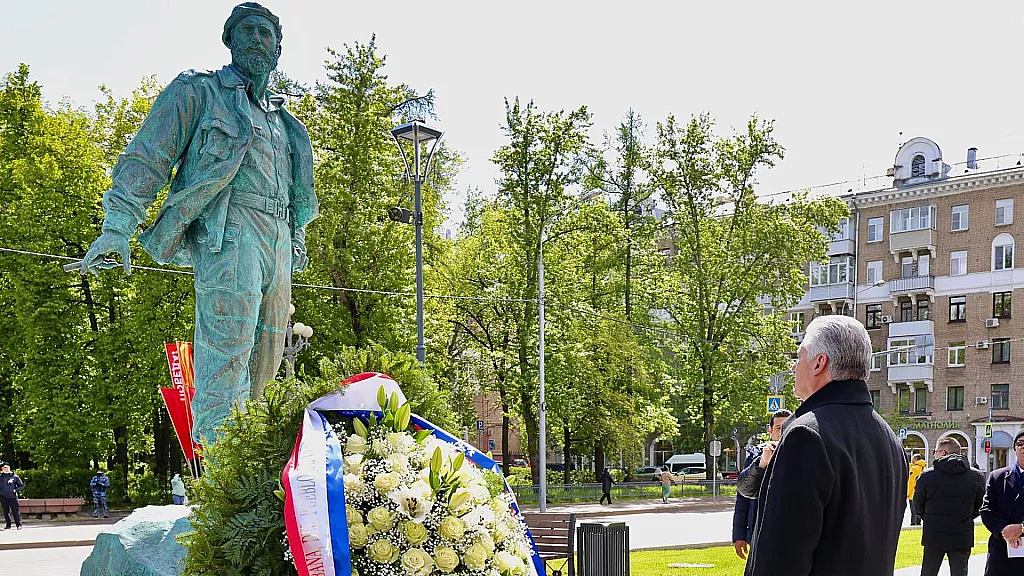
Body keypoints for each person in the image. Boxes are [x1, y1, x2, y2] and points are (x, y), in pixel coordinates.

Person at [74, 2, 318, 445]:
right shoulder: (199, 93)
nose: (256, 40)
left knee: (266, 367)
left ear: (279, 49)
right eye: (246, 30)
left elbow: (296, 193)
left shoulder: (286, 123)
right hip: (230, 232)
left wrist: (296, 238)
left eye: (266, 33)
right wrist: (118, 225)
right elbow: (149, 154)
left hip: (279, 240)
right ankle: (216, 490)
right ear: (228, 40)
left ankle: (249, 482)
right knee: (224, 359)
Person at [744, 315, 907, 576]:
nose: (794, 367)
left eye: (799, 357)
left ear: (820, 362)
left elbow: (780, 556)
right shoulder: (889, 437)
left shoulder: (806, 434)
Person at [913, 437, 984, 576]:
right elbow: (979, 506)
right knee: (960, 572)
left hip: (934, 534)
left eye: (936, 451)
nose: (934, 454)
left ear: (944, 453)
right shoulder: (976, 476)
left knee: (928, 572)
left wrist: (928, 518)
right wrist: (966, 516)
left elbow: (917, 505)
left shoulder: (927, 475)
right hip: (962, 534)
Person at [734, 409, 792, 559]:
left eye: (788, 426)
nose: (783, 432)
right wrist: (739, 535)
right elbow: (743, 498)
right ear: (770, 430)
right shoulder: (756, 455)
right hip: (759, 528)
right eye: (779, 428)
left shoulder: (802, 453)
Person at [979, 429, 1024, 575]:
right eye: (1020, 443)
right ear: (1015, 449)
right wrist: (1003, 528)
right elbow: (986, 509)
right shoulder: (997, 477)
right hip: (1002, 551)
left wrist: (1022, 528)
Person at [0, 463, 24, 530]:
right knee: (5, 512)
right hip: (3, 497)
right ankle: (8, 525)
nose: (6, 469)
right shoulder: (0, 477)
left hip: (12, 496)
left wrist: (15, 490)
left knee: (15, 511)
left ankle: (19, 525)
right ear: (2, 469)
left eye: (7, 468)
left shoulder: (14, 476)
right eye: (5, 468)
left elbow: (21, 485)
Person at [908, 453, 927, 526]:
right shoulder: (923, 468)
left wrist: (907, 493)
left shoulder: (914, 468)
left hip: (913, 493)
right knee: (919, 510)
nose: (912, 459)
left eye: (913, 458)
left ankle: (913, 524)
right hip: (920, 492)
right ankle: (918, 524)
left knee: (913, 511)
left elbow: (911, 481)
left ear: (916, 459)